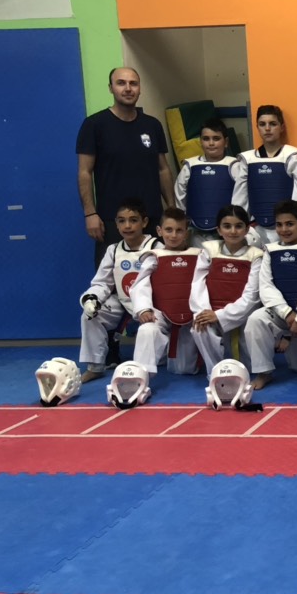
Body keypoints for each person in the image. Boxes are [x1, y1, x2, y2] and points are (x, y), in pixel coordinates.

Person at [76, 67, 174, 265]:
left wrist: (171, 209)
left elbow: (163, 169)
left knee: (155, 276)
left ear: (140, 88)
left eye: (133, 83)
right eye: (121, 83)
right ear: (111, 88)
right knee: (113, 278)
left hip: (151, 218)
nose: (128, 88)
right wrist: (90, 213)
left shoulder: (152, 125)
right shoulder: (94, 125)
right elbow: (84, 172)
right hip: (113, 220)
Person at [77, 198, 161, 383]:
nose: (127, 226)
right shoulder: (113, 250)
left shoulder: (157, 248)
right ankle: (95, 366)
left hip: (151, 306)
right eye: (122, 221)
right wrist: (92, 299)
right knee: (90, 315)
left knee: (155, 341)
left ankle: (142, 371)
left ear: (144, 222)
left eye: (133, 220)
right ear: (116, 223)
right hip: (122, 302)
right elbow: (102, 283)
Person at [243, 199, 297, 389]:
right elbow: (266, 286)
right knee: (255, 319)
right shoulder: (270, 250)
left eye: (290, 224)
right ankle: (263, 372)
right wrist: (287, 313)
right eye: (279, 224)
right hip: (283, 315)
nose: (284, 229)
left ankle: (290, 338)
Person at [190, 204, 264, 376]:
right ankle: (215, 372)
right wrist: (204, 312)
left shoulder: (256, 255)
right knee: (200, 326)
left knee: (247, 367)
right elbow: (197, 284)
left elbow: (252, 296)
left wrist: (220, 315)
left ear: (247, 229)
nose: (233, 231)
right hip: (212, 311)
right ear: (219, 229)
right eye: (227, 226)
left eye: (238, 226)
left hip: (244, 316)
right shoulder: (209, 250)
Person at [129, 207, 202, 380]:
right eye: (168, 230)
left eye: (179, 230)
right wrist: (144, 309)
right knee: (147, 329)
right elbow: (140, 285)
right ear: (159, 231)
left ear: (186, 233)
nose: (173, 235)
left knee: (183, 369)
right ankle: (139, 377)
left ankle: (167, 352)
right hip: (161, 312)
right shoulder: (154, 256)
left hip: (189, 316)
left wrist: (201, 310)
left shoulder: (198, 256)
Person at [239, 105, 297, 245]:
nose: (267, 128)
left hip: (285, 230)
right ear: (257, 127)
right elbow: (240, 197)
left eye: (272, 124)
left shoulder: (290, 156)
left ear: (282, 127)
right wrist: (240, 224)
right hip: (255, 228)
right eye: (262, 124)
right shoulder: (248, 159)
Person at [173, 118, 246, 244]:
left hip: (227, 232)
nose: (211, 143)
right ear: (200, 142)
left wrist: (235, 226)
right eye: (206, 139)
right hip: (195, 230)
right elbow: (180, 198)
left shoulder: (234, 166)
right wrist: (182, 223)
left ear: (226, 142)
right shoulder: (190, 166)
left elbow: (241, 200)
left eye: (216, 138)